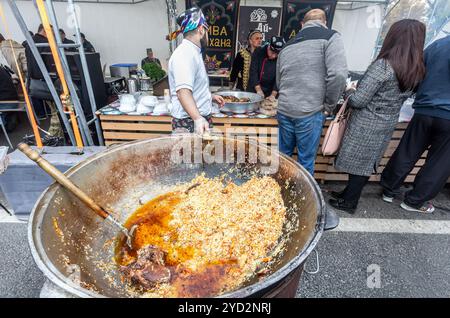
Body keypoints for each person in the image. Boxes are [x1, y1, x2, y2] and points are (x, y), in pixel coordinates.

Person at [330, 19, 426, 214]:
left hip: (367, 122)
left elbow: (358, 101)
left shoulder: (383, 65)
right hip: (387, 121)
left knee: (359, 164)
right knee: (365, 163)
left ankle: (350, 202)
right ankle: (349, 193)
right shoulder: (416, 68)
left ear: (394, 38)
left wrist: (348, 91)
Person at [380, 35, 450, 214]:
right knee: (438, 163)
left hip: (424, 109)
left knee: (407, 151)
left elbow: (418, 72)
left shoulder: (438, 45)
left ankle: (389, 190)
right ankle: (414, 201)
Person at [276, 9, 347, 176]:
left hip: (285, 109)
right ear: (324, 22)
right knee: (305, 161)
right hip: (309, 111)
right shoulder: (331, 37)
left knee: (282, 157)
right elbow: (338, 74)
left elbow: (279, 82)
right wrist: (329, 105)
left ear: (302, 25)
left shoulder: (287, 45)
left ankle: (279, 194)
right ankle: (302, 200)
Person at [168, 7, 224, 134]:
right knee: (190, 155)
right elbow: (183, 92)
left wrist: (209, 97)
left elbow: (192, 87)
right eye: (206, 30)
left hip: (193, 119)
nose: (207, 34)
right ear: (200, 29)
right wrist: (198, 118)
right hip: (189, 122)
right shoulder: (185, 54)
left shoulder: (193, 52)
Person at [23, 24, 63, 137]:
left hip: (35, 82)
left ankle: (56, 136)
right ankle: (52, 137)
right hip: (46, 82)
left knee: (54, 111)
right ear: (45, 31)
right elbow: (50, 65)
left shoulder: (30, 42)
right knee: (57, 112)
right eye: (52, 33)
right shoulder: (44, 44)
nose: (53, 36)